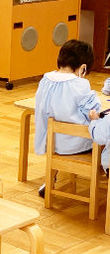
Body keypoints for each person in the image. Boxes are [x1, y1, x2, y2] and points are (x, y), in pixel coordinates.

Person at [34, 39, 100, 197]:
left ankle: (50, 179)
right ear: (83, 68)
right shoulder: (80, 85)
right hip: (75, 145)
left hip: (51, 143)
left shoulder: (45, 80)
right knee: (103, 133)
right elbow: (93, 112)